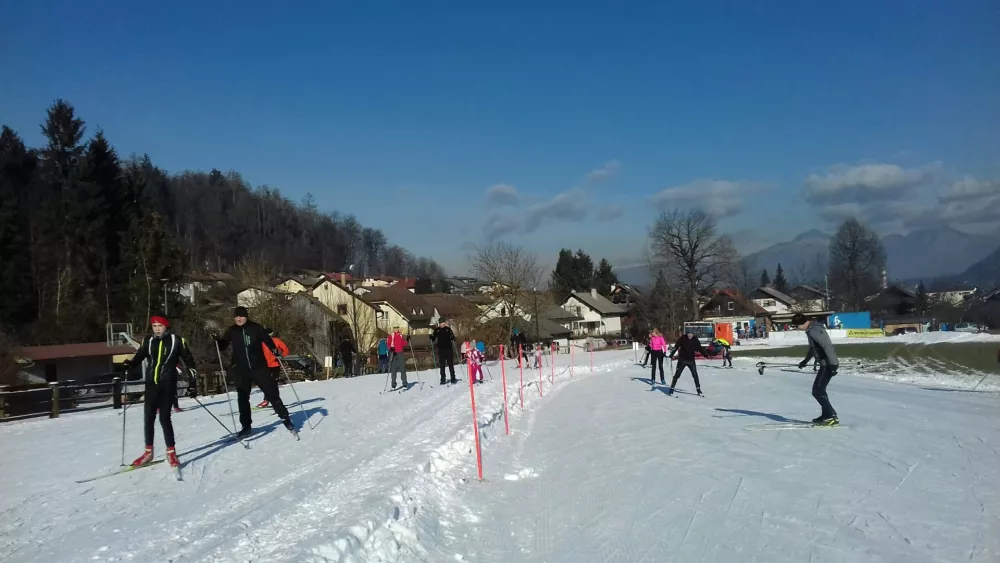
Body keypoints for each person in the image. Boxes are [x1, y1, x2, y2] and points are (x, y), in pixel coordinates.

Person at [124, 314, 196, 469]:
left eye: (160, 326)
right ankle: (148, 452)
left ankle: (171, 452)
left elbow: (190, 362)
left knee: (164, 418)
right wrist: (130, 364)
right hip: (151, 383)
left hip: (167, 384)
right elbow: (140, 355)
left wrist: (193, 384)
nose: (157, 329)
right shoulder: (148, 341)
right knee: (148, 417)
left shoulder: (176, 341)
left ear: (166, 326)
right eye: (154, 326)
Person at [213, 306, 295, 437]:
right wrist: (217, 340)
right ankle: (246, 427)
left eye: (241, 316)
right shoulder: (232, 330)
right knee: (243, 399)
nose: (239, 319)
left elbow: (267, 340)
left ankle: (286, 419)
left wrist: (274, 350)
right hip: (241, 369)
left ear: (246, 316)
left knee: (272, 393)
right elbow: (223, 346)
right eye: (236, 316)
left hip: (259, 367)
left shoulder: (256, 328)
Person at [792, 312, 840, 426]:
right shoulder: (811, 330)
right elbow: (813, 348)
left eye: (796, 326)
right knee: (819, 390)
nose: (797, 328)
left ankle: (831, 416)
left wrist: (833, 364)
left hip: (828, 364)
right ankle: (826, 415)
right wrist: (805, 361)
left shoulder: (815, 330)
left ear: (801, 323)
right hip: (825, 364)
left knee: (818, 391)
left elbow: (827, 346)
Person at [256, 328, 290, 409]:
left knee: (274, 384)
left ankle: (276, 401)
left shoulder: (276, 341)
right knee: (266, 384)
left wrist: (281, 355)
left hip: (275, 365)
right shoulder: (261, 342)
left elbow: (286, 350)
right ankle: (267, 400)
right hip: (264, 366)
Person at [668, 330, 705, 396]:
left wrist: (705, 354)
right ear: (686, 334)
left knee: (695, 375)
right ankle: (671, 389)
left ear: (693, 334)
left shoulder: (695, 340)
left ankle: (698, 390)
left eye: (691, 334)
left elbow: (700, 348)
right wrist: (671, 355)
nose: (689, 335)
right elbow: (676, 347)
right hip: (682, 360)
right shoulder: (682, 338)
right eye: (688, 334)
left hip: (691, 361)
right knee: (677, 375)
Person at [430, 319, 457, 384]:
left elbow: (452, 336)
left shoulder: (448, 329)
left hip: (448, 349)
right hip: (441, 350)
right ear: (439, 323)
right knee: (442, 365)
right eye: (441, 323)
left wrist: (453, 338)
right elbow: (433, 338)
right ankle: (443, 379)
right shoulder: (437, 330)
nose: (443, 324)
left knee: (450, 364)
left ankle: (453, 378)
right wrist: (431, 337)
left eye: (443, 323)